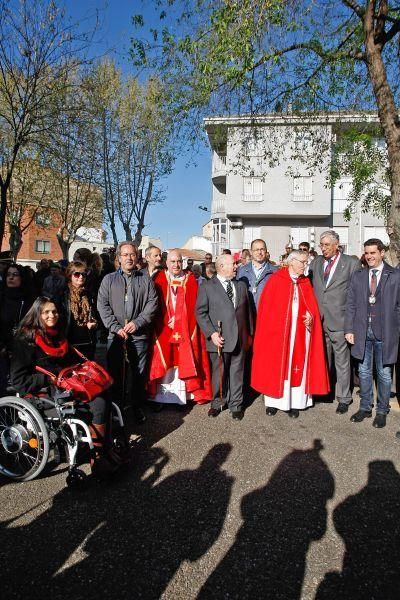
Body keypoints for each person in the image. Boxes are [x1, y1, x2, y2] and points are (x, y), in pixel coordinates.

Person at [11, 297, 115, 477]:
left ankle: (105, 447)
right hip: (44, 393)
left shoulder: (58, 335)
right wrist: (47, 379)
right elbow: (18, 380)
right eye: (46, 312)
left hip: (66, 385)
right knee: (98, 402)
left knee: (103, 390)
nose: (52, 315)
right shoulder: (25, 340)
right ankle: (96, 457)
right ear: (37, 314)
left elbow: (71, 361)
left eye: (54, 311)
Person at [251, 250, 329, 418]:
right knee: (276, 367)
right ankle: (273, 402)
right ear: (291, 262)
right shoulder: (276, 280)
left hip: (299, 335)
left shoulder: (305, 283)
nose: (304, 265)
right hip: (277, 336)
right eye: (302, 262)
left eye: (306, 262)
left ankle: (294, 402)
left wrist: (310, 318)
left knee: (295, 367)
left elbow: (311, 309)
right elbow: (266, 311)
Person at [97, 241, 158, 423]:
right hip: (116, 336)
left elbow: (152, 304)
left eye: (132, 254)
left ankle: (137, 406)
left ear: (137, 257)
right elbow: (102, 305)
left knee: (138, 375)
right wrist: (115, 327)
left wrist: (138, 323)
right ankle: (116, 408)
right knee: (115, 374)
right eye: (125, 255)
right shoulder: (108, 280)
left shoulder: (145, 279)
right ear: (119, 258)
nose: (129, 258)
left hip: (138, 336)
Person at [345, 239, 400, 429]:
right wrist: (349, 329)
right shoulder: (359, 275)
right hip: (362, 332)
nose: (369, 256)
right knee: (363, 372)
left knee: (385, 375)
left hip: (386, 333)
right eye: (367, 253)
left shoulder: (395, 275)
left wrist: (396, 328)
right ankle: (365, 407)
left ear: (382, 253)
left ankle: (382, 411)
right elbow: (351, 304)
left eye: (373, 253)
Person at [148, 249, 212, 406]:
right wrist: (167, 320)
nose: (176, 265)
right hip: (163, 326)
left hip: (185, 328)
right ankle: (160, 399)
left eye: (179, 261)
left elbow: (193, 306)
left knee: (183, 359)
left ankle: (181, 399)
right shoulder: (159, 278)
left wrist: (179, 321)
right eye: (173, 261)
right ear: (166, 263)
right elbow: (155, 304)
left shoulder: (190, 279)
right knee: (165, 358)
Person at [196, 253, 253, 420]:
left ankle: (236, 404)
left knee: (237, 372)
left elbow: (247, 312)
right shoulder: (207, 286)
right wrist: (211, 333)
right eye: (233, 264)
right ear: (221, 267)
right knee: (218, 373)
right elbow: (200, 313)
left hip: (240, 338)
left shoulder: (241, 286)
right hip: (219, 338)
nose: (236, 267)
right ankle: (217, 402)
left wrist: (249, 334)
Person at [310, 230, 359, 414]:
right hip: (319, 320)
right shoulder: (316, 263)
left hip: (340, 320)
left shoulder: (351, 263)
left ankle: (344, 398)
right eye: (321, 245)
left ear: (337, 245)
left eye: (327, 245)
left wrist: (352, 324)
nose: (324, 249)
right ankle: (325, 391)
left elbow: (356, 294)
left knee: (342, 361)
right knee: (323, 359)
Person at [0, 263, 33, 395]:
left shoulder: (28, 299)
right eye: (8, 275)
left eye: (15, 275)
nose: (11, 278)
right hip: (2, 348)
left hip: (22, 349)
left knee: (19, 385)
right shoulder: (1, 297)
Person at [61, 261, 98, 359]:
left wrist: (94, 322)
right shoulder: (62, 294)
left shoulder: (89, 294)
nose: (81, 277)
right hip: (70, 341)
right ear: (70, 276)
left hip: (87, 340)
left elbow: (95, 314)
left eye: (84, 274)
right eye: (77, 274)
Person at [237, 238, 277, 311]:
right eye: (256, 250)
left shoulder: (275, 272)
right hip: (247, 314)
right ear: (251, 252)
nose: (259, 252)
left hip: (266, 313)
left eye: (262, 249)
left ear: (266, 251)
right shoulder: (242, 271)